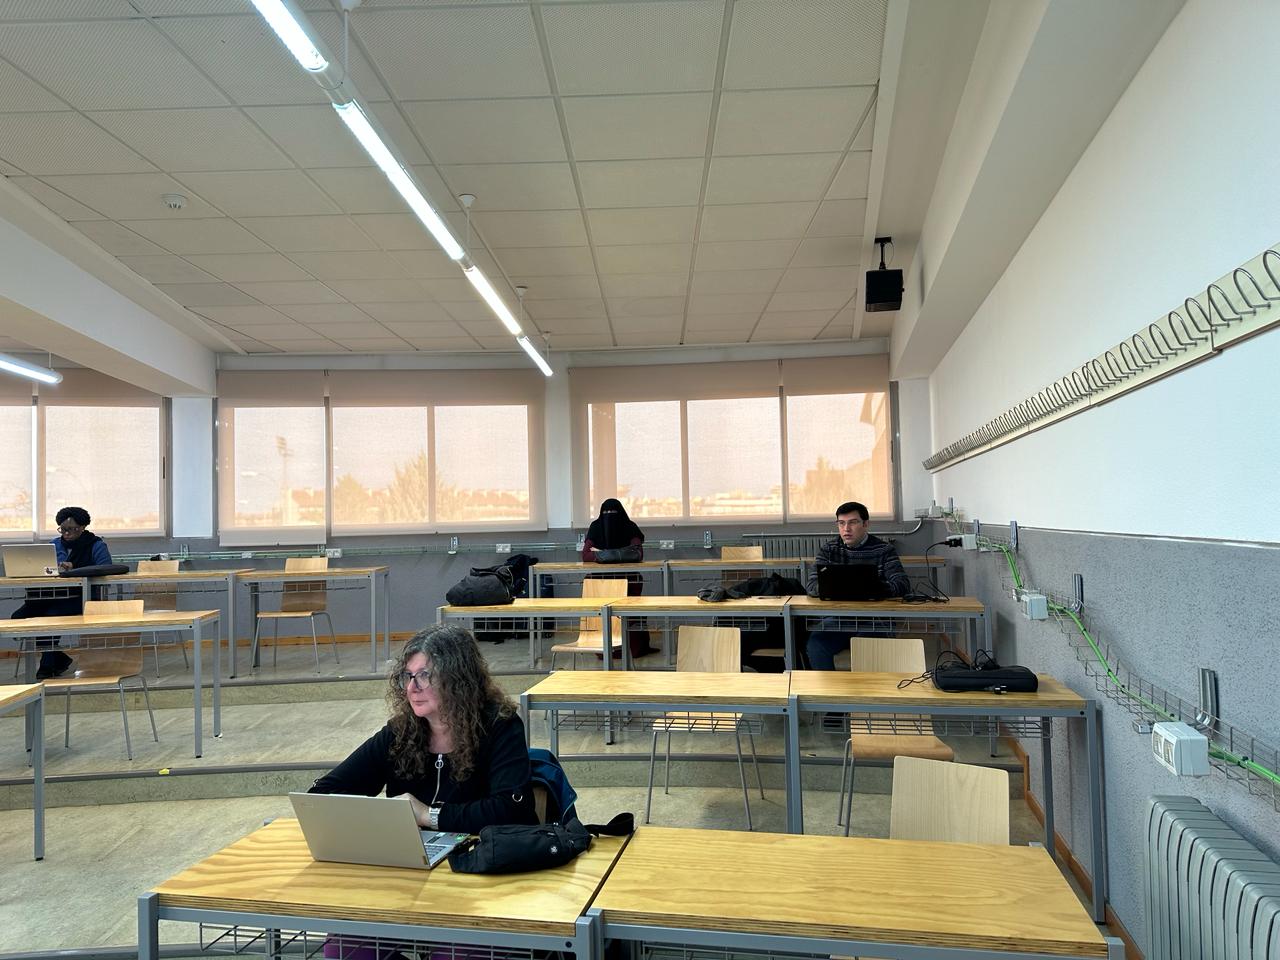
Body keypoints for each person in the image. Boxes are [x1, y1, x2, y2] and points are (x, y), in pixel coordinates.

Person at [309, 623, 537, 833]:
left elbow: (511, 809)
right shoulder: (400, 732)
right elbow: (321, 796)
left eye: (424, 676)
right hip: (412, 856)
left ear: (458, 680)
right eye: (408, 676)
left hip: (482, 854)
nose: (412, 688)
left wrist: (428, 815)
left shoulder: (500, 726)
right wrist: (384, 816)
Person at [803, 500, 910, 670]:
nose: (846, 529)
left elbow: (902, 585)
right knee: (816, 645)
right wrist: (851, 587)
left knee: (868, 650)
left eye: (853, 522)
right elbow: (811, 585)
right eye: (841, 523)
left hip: (875, 619)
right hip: (838, 619)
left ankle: (867, 687)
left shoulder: (884, 550)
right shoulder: (829, 549)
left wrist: (872, 588)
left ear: (865, 524)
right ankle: (827, 687)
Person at [12, 506, 113, 679]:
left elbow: (107, 568)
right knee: (18, 617)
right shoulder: (54, 544)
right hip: (52, 595)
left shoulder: (96, 545)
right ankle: (59, 658)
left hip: (83, 597)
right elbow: (43, 568)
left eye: (72, 529)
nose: (66, 533)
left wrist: (76, 568)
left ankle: (47, 666)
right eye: (63, 529)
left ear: (82, 527)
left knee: (49, 618)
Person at [581, 498, 655, 658]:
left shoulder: (605, 526)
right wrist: (621, 554)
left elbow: (638, 553)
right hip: (620, 580)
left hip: (607, 582)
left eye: (612, 513)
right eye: (607, 513)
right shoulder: (625, 526)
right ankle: (633, 648)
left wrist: (602, 555)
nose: (610, 516)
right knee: (627, 614)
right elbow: (585, 555)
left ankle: (613, 650)